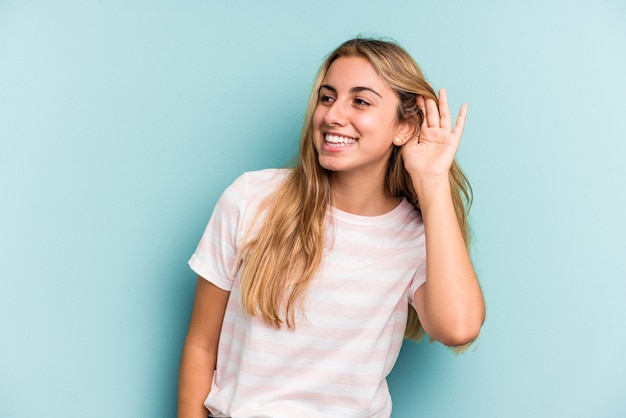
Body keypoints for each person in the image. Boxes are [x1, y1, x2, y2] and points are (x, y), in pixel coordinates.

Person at [177, 37, 486, 418]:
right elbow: (200, 345)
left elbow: (458, 328)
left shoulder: (416, 237)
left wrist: (433, 182)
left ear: (404, 128)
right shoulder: (251, 198)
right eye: (327, 97)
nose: (332, 115)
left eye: (360, 101)